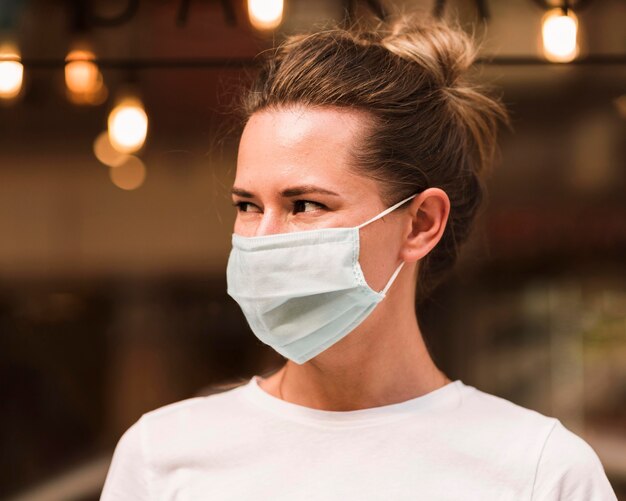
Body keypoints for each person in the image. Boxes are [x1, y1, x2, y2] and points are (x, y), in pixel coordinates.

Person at [100, 12, 617, 500]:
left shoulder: (538, 471)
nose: (263, 238)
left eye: (304, 204)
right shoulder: (162, 459)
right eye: (247, 205)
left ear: (420, 224)